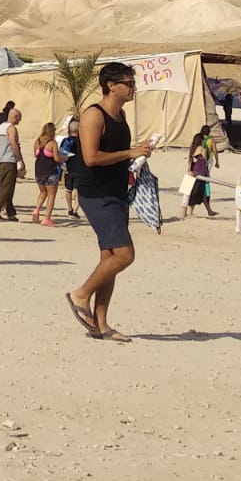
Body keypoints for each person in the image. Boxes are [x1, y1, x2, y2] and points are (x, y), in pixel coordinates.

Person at [66, 62, 156, 344]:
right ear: (111, 85)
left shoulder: (121, 116)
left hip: (117, 192)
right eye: (128, 83)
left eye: (133, 83)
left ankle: (101, 324)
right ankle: (80, 295)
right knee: (124, 255)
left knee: (109, 259)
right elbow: (91, 157)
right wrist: (130, 152)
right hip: (96, 194)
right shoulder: (93, 116)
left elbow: (118, 153)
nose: (133, 88)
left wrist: (138, 154)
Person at [0, 107, 25, 222]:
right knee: (6, 187)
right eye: (19, 118)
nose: (20, 121)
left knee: (8, 188)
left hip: (1, 160)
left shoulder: (1, 127)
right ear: (15, 117)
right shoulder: (11, 128)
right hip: (9, 160)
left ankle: (10, 212)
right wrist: (19, 159)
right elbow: (14, 144)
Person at [31, 121, 62, 227]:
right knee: (51, 196)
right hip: (50, 171)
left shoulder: (37, 142)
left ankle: (36, 210)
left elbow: (35, 155)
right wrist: (64, 158)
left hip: (39, 171)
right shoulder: (52, 143)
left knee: (42, 192)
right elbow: (56, 158)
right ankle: (47, 218)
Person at [182, 129, 217, 219]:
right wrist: (207, 173)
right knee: (200, 192)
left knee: (197, 193)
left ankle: (208, 211)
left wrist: (189, 170)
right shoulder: (202, 149)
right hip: (201, 173)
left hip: (192, 171)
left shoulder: (192, 149)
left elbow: (190, 161)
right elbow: (205, 162)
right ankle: (190, 211)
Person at [59, 116, 82, 218]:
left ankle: (69, 209)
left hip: (69, 168)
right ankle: (75, 210)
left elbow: (62, 154)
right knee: (79, 191)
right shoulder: (83, 141)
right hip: (80, 169)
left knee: (68, 189)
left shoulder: (66, 141)